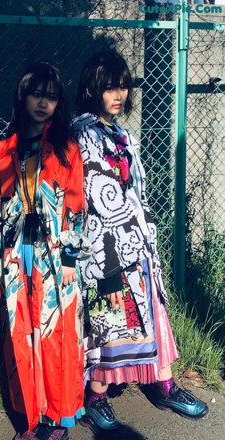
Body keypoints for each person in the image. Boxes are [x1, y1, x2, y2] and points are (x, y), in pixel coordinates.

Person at [70, 50, 208, 434]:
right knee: (110, 323)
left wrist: (147, 246)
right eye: (109, 87)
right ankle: (95, 396)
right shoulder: (85, 134)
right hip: (107, 253)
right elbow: (94, 203)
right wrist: (109, 269)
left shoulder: (119, 133)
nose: (118, 94)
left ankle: (162, 384)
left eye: (123, 86)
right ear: (91, 89)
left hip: (139, 247)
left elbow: (135, 195)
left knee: (150, 316)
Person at [0, 61, 92, 440]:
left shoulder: (65, 149)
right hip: (15, 255)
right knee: (21, 335)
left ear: (59, 103)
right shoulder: (4, 150)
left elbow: (77, 204)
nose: (43, 103)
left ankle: (56, 418)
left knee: (55, 332)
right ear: (22, 96)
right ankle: (30, 417)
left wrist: (71, 258)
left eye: (51, 96)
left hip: (55, 256)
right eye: (36, 94)